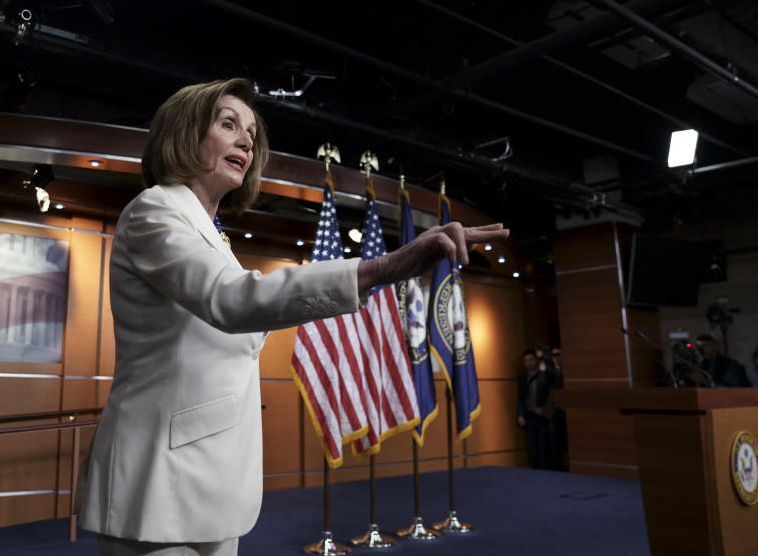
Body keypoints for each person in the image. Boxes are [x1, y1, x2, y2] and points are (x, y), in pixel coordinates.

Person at [74, 78, 509, 556]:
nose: (246, 140)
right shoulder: (154, 211)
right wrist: (384, 268)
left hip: (206, 483)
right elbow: (232, 299)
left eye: (252, 134)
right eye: (228, 124)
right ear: (183, 133)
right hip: (155, 483)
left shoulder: (211, 236)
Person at [517, 348, 554, 470]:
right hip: (530, 415)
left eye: (531, 360)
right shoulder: (523, 378)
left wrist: (543, 408)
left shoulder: (544, 374)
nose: (528, 363)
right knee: (533, 449)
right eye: (526, 360)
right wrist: (520, 415)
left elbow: (551, 393)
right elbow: (521, 398)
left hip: (544, 416)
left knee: (545, 448)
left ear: (536, 361)